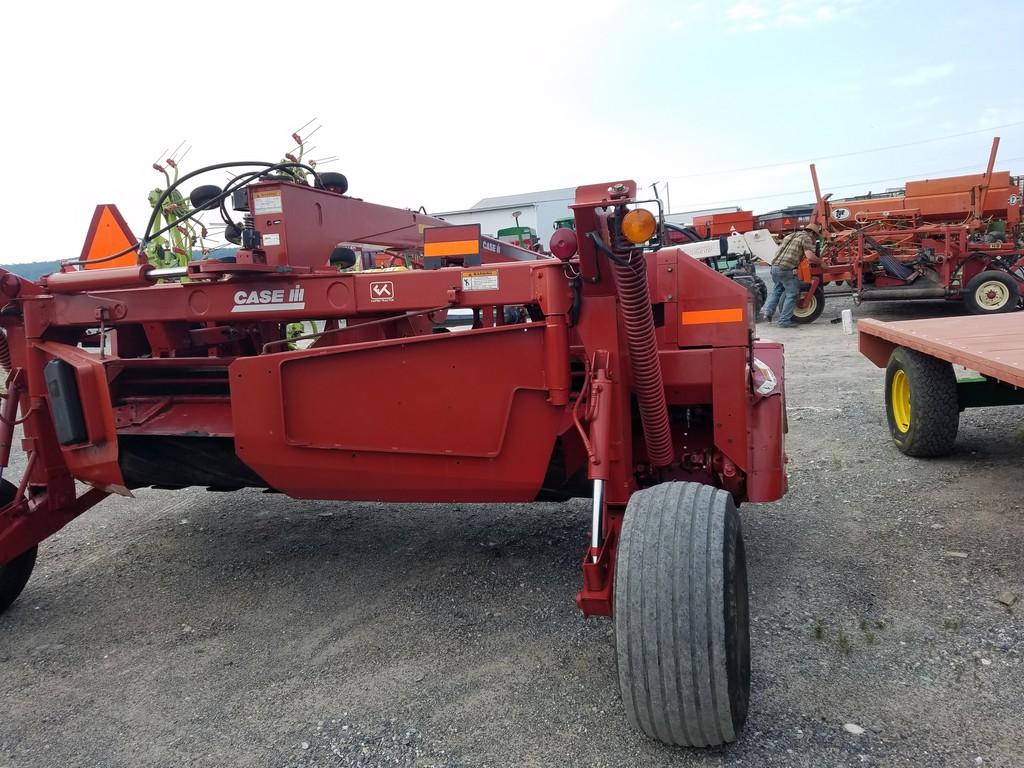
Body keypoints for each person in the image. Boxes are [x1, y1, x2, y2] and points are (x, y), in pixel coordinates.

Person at [760, 222, 821, 327]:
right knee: (792, 294)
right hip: (785, 268)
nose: (814, 238)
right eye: (815, 235)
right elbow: (810, 256)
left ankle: (768, 314)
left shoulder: (790, 235)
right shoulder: (806, 238)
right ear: (811, 233)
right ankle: (784, 321)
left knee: (777, 289)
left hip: (774, 267)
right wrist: (821, 262)